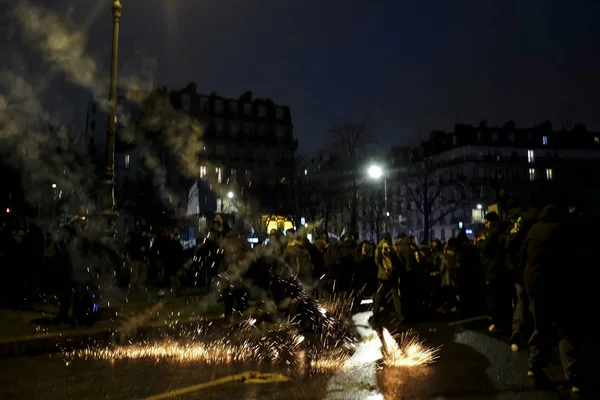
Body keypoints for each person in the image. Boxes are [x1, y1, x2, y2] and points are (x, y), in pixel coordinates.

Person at [522, 205, 584, 393]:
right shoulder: (561, 229)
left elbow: (523, 256)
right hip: (556, 284)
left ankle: (534, 366)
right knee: (566, 329)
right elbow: (571, 258)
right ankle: (574, 378)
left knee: (541, 326)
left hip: (533, 282)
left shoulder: (534, 229)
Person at [370, 233, 403, 324]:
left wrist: (382, 269)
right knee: (395, 294)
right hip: (392, 275)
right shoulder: (392, 248)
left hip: (382, 275)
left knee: (378, 295)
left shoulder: (378, 248)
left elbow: (377, 262)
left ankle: (375, 315)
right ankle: (399, 315)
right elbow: (397, 261)